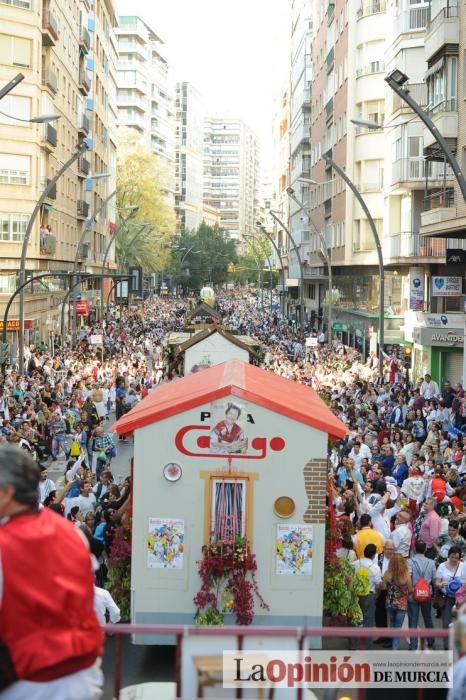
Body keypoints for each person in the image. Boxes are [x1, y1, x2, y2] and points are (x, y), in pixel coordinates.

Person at [0, 445, 103, 698]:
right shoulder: (71, 532)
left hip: (26, 680)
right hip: (81, 675)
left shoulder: (4, 544)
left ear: (7, 493)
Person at [435, 545, 466, 649]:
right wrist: (440, 584)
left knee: (461, 623)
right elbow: (437, 582)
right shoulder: (442, 566)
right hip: (446, 597)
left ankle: (460, 648)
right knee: (446, 624)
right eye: (452, 557)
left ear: (460, 558)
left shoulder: (463, 566)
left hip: (460, 600)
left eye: (456, 558)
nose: (454, 559)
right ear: (448, 556)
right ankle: (447, 648)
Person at [352, 543, 382, 649]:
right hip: (369, 596)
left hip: (355, 595)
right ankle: (368, 646)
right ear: (374, 555)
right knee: (368, 621)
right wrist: (377, 594)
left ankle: (353, 645)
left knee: (354, 619)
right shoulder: (375, 568)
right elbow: (378, 585)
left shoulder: (355, 564)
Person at [407, 540, 436, 650]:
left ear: (414, 549)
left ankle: (413, 644)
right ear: (425, 549)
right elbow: (435, 579)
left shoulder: (409, 562)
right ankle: (431, 639)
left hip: (413, 593)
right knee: (427, 617)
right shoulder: (431, 562)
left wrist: (410, 590)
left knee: (413, 619)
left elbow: (408, 577)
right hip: (426, 593)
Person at [382, 553, 413, 650]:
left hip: (390, 603)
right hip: (402, 604)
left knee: (392, 624)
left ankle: (392, 644)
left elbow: (383, 588)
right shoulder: (406, 574)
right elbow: (410, 589)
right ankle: (394, 649)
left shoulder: (387, 573)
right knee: (398, 626)